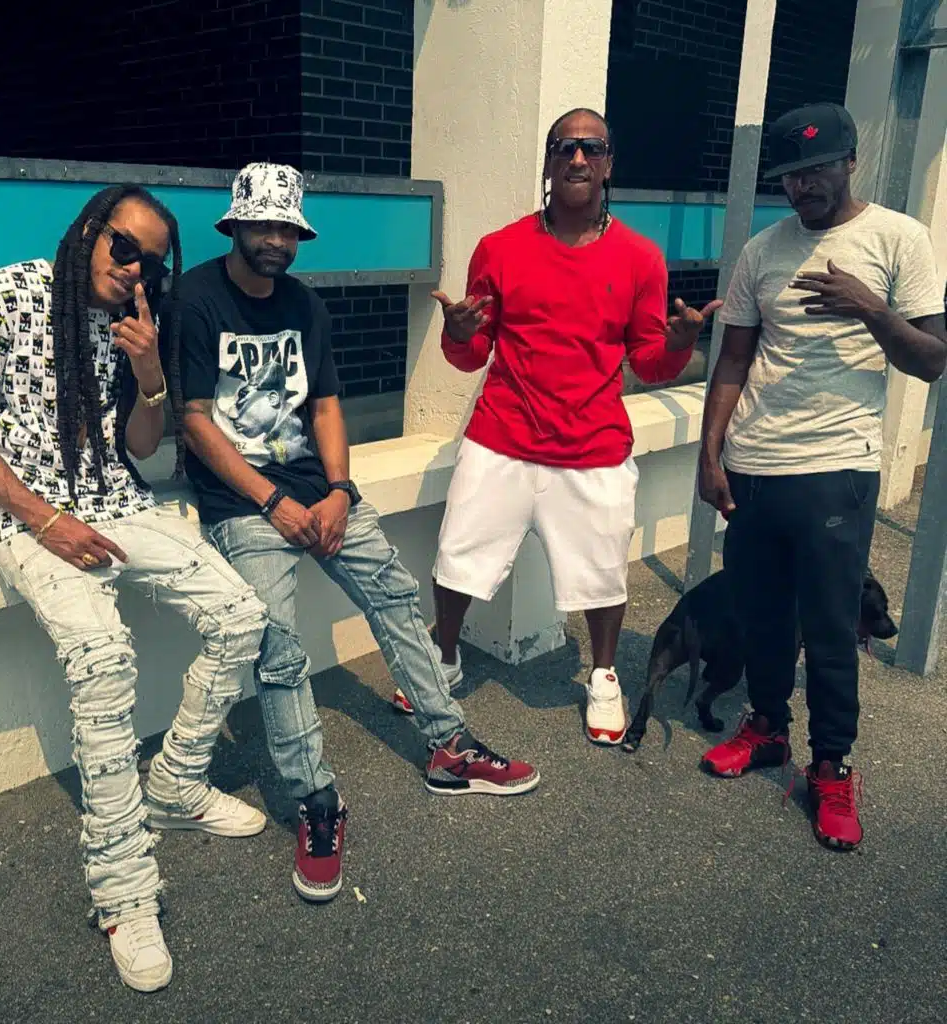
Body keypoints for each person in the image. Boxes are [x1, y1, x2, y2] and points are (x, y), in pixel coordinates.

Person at [173, 162, 541, 904]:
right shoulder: (195, 299)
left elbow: (326, 406)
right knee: (277, 646)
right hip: (243, 504)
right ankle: (316, 801)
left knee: (397, 597)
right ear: (236, 224)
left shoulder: (305, 305)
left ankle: (448, 746)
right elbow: (194, 420)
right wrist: (272, 502)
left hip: (319, 489)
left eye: (288, 228)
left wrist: (340, 490)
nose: (276, 240)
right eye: (263, 225)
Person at [0, 185, 268, 993]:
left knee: (241, 615)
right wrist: (44, 519)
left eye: (151, 263)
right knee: (102, 657)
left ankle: (176, 783)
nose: (134, 270)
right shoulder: (7, 294)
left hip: (114, 502)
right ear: (89, 230)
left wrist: (150, 371)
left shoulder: (130, 323)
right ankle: (123, 892)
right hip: (27, 516)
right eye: (124, 248)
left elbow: (143, 449)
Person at [394, 108, 721, 742]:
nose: (577, 159)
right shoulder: (500, 247)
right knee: (457, 559)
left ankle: (603, 675)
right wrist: (457, 334)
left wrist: (680, 345)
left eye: (591, 148)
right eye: (564, 147)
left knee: (602, 574)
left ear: (608, 164)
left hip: (593, 445)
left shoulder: (641, 258)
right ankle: (446, 657)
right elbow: (473, 355)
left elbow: (648, 363)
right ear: (547, 163)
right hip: (502, 438)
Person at [697, 102, 947, 850]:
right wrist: (711, 454)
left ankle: (832, 766)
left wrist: (869, 307)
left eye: (815, 169)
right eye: (790, 174)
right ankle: (768, 727)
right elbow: (733, 360)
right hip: (754, 464)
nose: (801, 185)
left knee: (833, 627)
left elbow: (930, 360)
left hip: (836, 466)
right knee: (762, 615)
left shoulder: (900, 239)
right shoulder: (762, 251)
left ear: (850, 162)